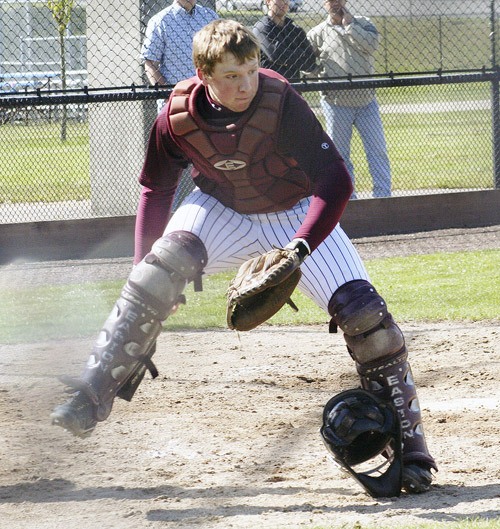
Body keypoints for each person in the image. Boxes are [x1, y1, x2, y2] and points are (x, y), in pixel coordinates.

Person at [51, 19, 436, 494]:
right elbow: (157, 189)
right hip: (223, 208)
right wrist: (141, 269)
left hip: (294, 214)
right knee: (153, 277)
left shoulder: (279, 102)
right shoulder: (176, 115)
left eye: (252, 70)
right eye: (231, 75)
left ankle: (413, 450)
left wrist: (301, 245)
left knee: (366, 319)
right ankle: (91, 395)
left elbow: (335, 178)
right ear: (203, 74)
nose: (245, 84)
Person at [307, 0, 392, 198]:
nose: (335, 3)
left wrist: (350, 25)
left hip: (366, 102)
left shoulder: (364, 23)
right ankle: (349, 199)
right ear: (323, 4)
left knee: (377, 150)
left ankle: (383, 197)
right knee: (341, 156)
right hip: (336, 104)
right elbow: (305, 63)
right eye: (330, 0)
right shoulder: (317, 33)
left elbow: (371, 45)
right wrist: (319, 72)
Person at [142, 0, 218, 206]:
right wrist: (170, 93)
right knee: (174, 167)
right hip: (175, 107)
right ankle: (172, 217)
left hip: (208, 105)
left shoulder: (210, 18)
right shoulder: (160, 21)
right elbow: (150, 62)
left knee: (210, 162)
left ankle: (210, 210)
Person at [252, 0, 316, 80]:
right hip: (270, 86)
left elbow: (310, 62)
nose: (284, 2)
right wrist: (300, 53)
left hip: (294, 86)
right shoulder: (262, 28)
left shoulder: (294, 29)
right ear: (268, 1)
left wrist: (286, 58)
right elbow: (276, 56)